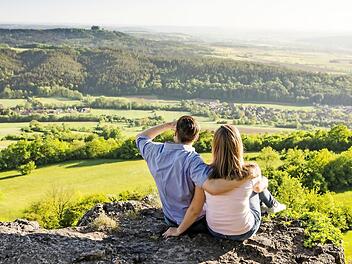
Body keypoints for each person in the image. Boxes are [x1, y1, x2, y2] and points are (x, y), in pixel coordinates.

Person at [163, 124, 286, 240]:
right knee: (254, 189)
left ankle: (272, 205)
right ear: (238, 146)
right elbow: (259, 189)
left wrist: (178, 230)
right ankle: (273, 205)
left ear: (215, 147)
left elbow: (195, 208)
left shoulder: (205, 174)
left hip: (214, 231)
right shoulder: (250, 171)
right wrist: (264, 179)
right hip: (244, 231)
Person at [136, 116, 247, 233]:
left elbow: (141, 137)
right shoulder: (194, 161)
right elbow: (211, 189)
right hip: (195, 223)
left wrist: (168, 125)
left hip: (169, 219)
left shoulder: (155, 151)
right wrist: (247, 176)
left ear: (175, 132)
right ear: (197, 136)